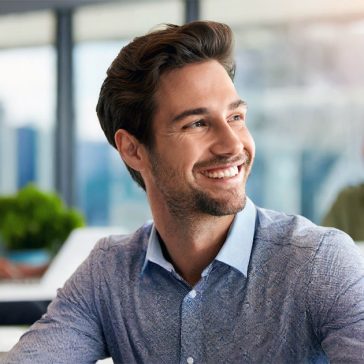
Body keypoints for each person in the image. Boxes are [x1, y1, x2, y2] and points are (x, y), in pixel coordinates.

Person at [3, 21, 364, 364]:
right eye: (197, 123)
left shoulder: (319, 263)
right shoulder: (108, 274)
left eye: (236, 117)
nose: (231, 144)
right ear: (132, 149)